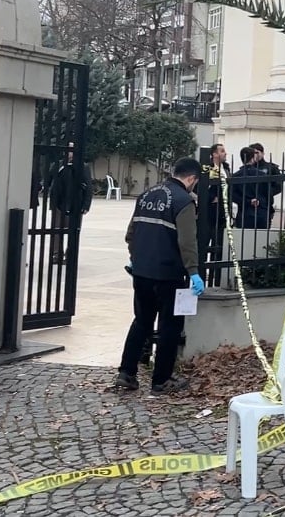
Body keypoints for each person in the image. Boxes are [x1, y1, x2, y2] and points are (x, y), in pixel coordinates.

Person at [116, 158, 205, 394]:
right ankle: (161, 380)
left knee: (141, 321)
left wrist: (136, 257)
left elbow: (131, 233)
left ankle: (126, 373)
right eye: (195, 182)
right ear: (191, 178)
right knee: (170, 326)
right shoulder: (184, 201)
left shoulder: (146, 195)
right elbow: (187, 242)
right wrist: (194, 272)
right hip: (168, 273)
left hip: (142, 272)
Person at [48, 141, 93, 265]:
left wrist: (86, 205)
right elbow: (49, 181)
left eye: (72, 150)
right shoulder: (57, 165)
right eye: (68, 150)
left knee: (73, 231)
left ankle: (70, 255)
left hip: (75, 204)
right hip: (59, 203)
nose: (69, 153)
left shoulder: (82, 166)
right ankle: (57, 254)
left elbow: (89, 187)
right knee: (57, 230)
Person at [205, 143, 232, 285]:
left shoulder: (226, 169)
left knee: (219, 246)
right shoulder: (207, 168)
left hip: (223, 212)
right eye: (222, 151)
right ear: (214, 154)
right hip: (209, 212)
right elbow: (201, 188)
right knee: (205, 244)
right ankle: (202, 273)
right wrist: (211, 198)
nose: (225, 153)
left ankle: (216, 278)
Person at [232, 146, 272, 230]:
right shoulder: (262, 175)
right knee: (261, 237)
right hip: (261, 213)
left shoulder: (236, 176)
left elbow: (233, 196)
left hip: (244, 213)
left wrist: (248, 201)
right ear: (253, 158)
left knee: (243, 237)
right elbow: (269, 195)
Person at [249, 142, 282, 219]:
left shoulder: (271, 168)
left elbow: (278, 187)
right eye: (253, 153)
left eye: (257, 152)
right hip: (249, 204)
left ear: (263, 153)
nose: (255, 155)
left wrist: (265, 194)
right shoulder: (247, 168)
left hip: (265, 204)